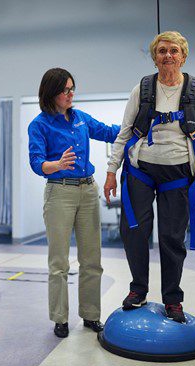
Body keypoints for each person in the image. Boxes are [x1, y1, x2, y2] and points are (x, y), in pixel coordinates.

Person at [103, 31, 195, 323]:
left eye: (173, 51)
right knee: (133, 232)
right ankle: (138, 290)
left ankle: (172, 299)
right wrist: (111, 171)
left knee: (172, 238)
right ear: (155, 57)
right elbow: (124, 133)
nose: (167, 56)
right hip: (140, 170)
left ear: (183, 56)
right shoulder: (142, 89)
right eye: (161, 51)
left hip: (178, 173)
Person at [28, 68, 120, 338]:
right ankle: (60, 318)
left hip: (88, 191)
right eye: (65, 90)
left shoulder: (80, 118)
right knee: (59, 263)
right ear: (51, 93)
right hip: (60, 193)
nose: (71, 95)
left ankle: (91, 315)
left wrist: (136, 127)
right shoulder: (39, 125)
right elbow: (36, 163)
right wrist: (55, 164)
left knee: (92, 259)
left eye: (72, 89)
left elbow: (108, 132)